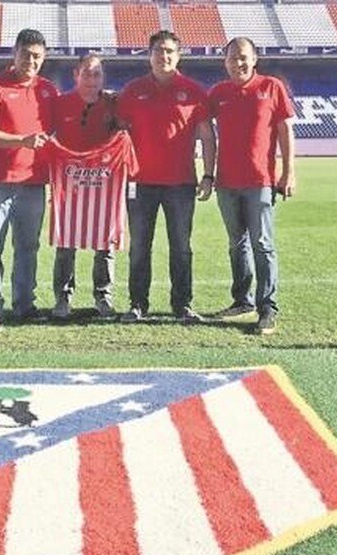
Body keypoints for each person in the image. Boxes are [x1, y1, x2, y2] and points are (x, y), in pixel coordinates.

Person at [115, 30, 216, 324]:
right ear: (149, 55)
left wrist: (208, 175)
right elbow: (117, 134)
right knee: (139, 247)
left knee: (181, 247)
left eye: (170, 50)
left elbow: (208, 136)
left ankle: (182, 304)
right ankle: (137, 304)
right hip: (139, 183)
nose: (164, 56)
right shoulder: (133, 91)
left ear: (178, 55)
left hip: (181, 183)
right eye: (158, 50)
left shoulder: (194, 91)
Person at [0, 28, 57, 333]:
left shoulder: (48, 90)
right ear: (15, 53)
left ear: (44, 58)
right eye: (26, 54)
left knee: (28, 247)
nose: (31, 61)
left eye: (37, 56)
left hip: (33, 181)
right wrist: (22, 141)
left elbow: (62, 127)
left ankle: (24, 305)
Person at [208, 37, 296, 335]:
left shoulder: (271, 87)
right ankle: (241, 301)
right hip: (226, 183)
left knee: (262, 244)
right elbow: (199, 126)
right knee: (237, 244)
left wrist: (289, 172)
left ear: (254, 58)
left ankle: (267, 308)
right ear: (225, 62)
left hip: (260, 181)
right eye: (232, 58)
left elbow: (285, 130)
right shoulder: (218, 93)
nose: (238, 63)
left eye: (243, 57)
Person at [50, 54, 120, 319]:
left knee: (105, 244)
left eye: (97, 74)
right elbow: (46, 137)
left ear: (103, 78)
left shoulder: (114, 103)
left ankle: (103, 297)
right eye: (87, 73)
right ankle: (63, 298)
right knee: (66, 243)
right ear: (76, 75)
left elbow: (127, 130)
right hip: (69, 183)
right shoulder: (60, 104)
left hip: (104, 182)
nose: (92, 79)